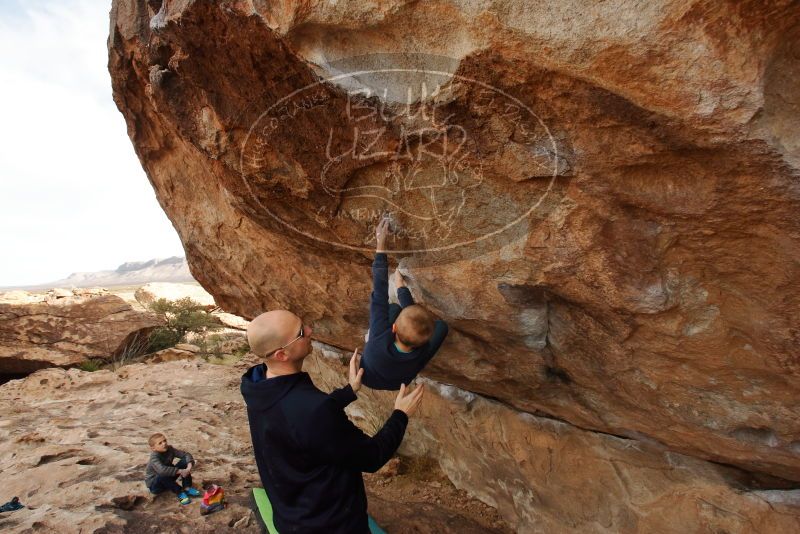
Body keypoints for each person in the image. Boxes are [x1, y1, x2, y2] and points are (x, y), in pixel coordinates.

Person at [241, 310, 424, 533]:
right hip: (331, 524)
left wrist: (348, 391)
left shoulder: (259, 386)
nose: (310, 330)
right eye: (301, 332)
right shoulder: (312, 409)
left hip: (292, 517)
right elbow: (371, 456)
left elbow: (298, 420)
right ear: (282, 354)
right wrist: (400, 415)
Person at [360, 217, 449, 390]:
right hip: (396, 382)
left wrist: (381, 244)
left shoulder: (377, 339)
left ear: (393, 328)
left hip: (368, 374)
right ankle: (412, 323)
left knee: (392, 308)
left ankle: (402, 315)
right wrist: (403, 291)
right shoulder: (421, 352)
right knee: (441, 327)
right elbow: (413, 318)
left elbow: (379, 292)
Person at [144, 433, 202, 505]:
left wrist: (188, 468)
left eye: (165, 440)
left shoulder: (170, 449)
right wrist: (181, 471)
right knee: (162, 474)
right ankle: (180, 492)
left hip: (168, 477)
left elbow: (186, 454)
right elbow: (162, 470)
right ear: (153, 448)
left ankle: (187, 487)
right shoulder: (154, 457)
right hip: (156, 485)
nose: (164, 443)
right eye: (160, 443)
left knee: (184, 461)